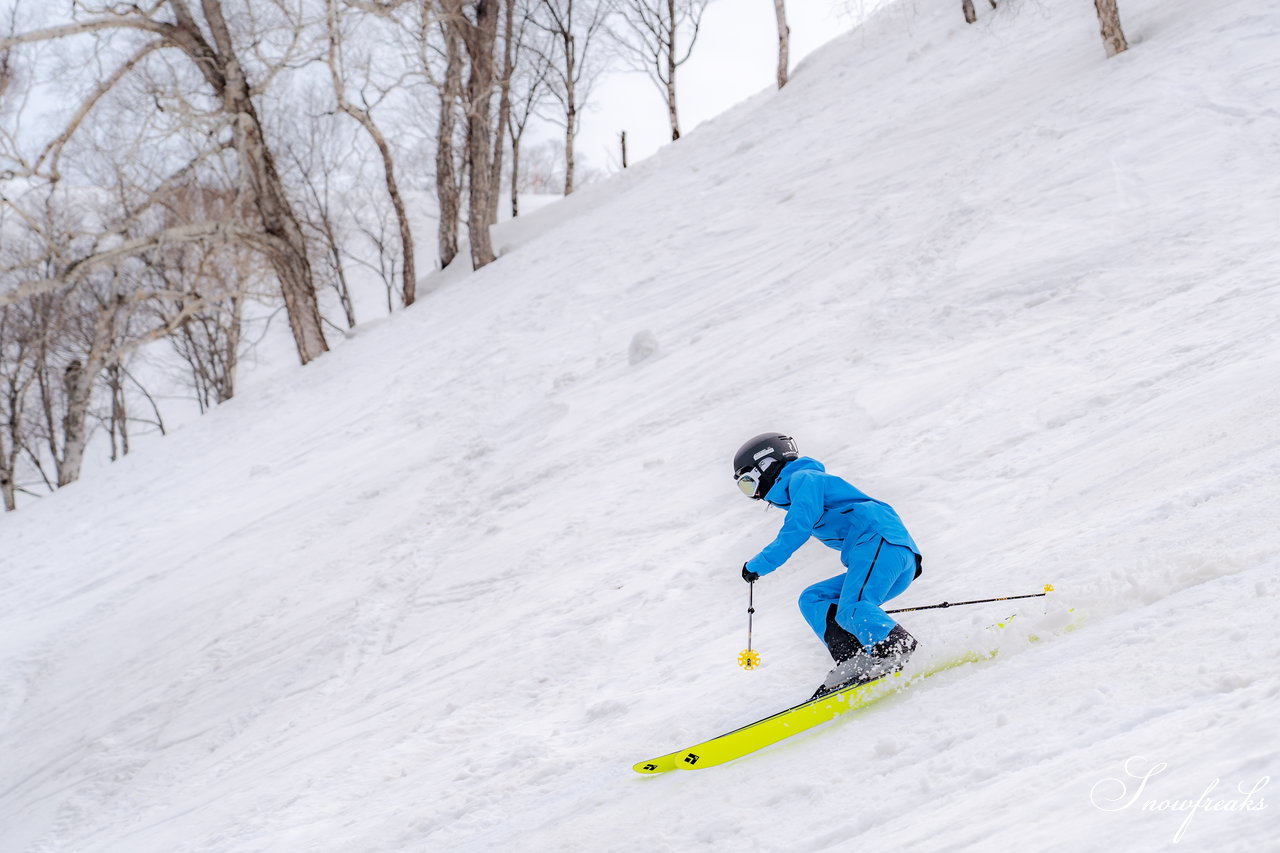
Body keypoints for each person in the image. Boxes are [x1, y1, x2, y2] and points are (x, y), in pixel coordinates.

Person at [733, 432, 923, 698]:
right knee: (814, 599)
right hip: (882, 557)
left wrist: (758, 565)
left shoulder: (804, 480)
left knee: (853, 608)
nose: (754, 494)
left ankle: (897, 648)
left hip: (882, 544)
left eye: (748, 482)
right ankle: (853, 658)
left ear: (766, 466)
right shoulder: (802, 488)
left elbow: (796, 530)